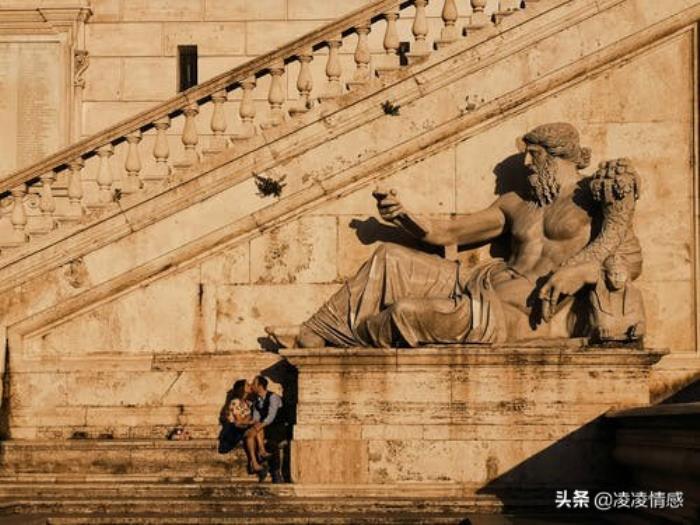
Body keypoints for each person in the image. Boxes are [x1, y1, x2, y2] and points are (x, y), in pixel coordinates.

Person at [266, 122, 642, 347]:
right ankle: (317, 330)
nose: (527, 163)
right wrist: (403, 217)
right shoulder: (515, 203)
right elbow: (447, 232)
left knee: (406, 312)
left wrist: (582, 272)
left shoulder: (594, 200)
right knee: (390, 257)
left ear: (558, 155)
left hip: (514, 311)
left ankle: (346, 338)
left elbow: (627, 261)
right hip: (478, 281)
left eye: (535, 154)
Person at [218, 379, 269, 477]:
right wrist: (250, 421)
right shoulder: (235, 402)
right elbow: (239, 421)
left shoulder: (247, 402)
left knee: (257, 427)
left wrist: (249, 421)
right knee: (252, 431)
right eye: (247, 385)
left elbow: (247, 418)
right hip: (233, 430)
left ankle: (260, 452)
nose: (250, 385)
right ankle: (254, 462)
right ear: (242, 389)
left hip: (242, 427)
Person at [250, 375, 288, 483]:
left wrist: (259, 426)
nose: (252, 386)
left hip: (278, 427)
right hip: (266, 428)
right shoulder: (256, 401)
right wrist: (255, 425)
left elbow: (271, 416)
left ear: (260, 386)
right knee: (257, 437)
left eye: (254, 384)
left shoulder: (273, 397)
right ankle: (263, 466)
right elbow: (256, 418)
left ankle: (275, 472)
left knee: (271, 443)